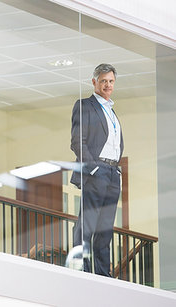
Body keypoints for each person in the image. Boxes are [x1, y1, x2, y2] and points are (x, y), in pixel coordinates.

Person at [70, 63, 124, 277]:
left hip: (113, 173)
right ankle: (80, 269)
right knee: (87, 224)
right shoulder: (85, 105)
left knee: (105, 229)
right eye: (103, 81)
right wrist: (93, 169)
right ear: (94, 82)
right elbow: (77, 141)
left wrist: (115, 171)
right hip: (97, 170)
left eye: (111, 81)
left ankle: (102, 273)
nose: (107, 85)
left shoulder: (112, 111)